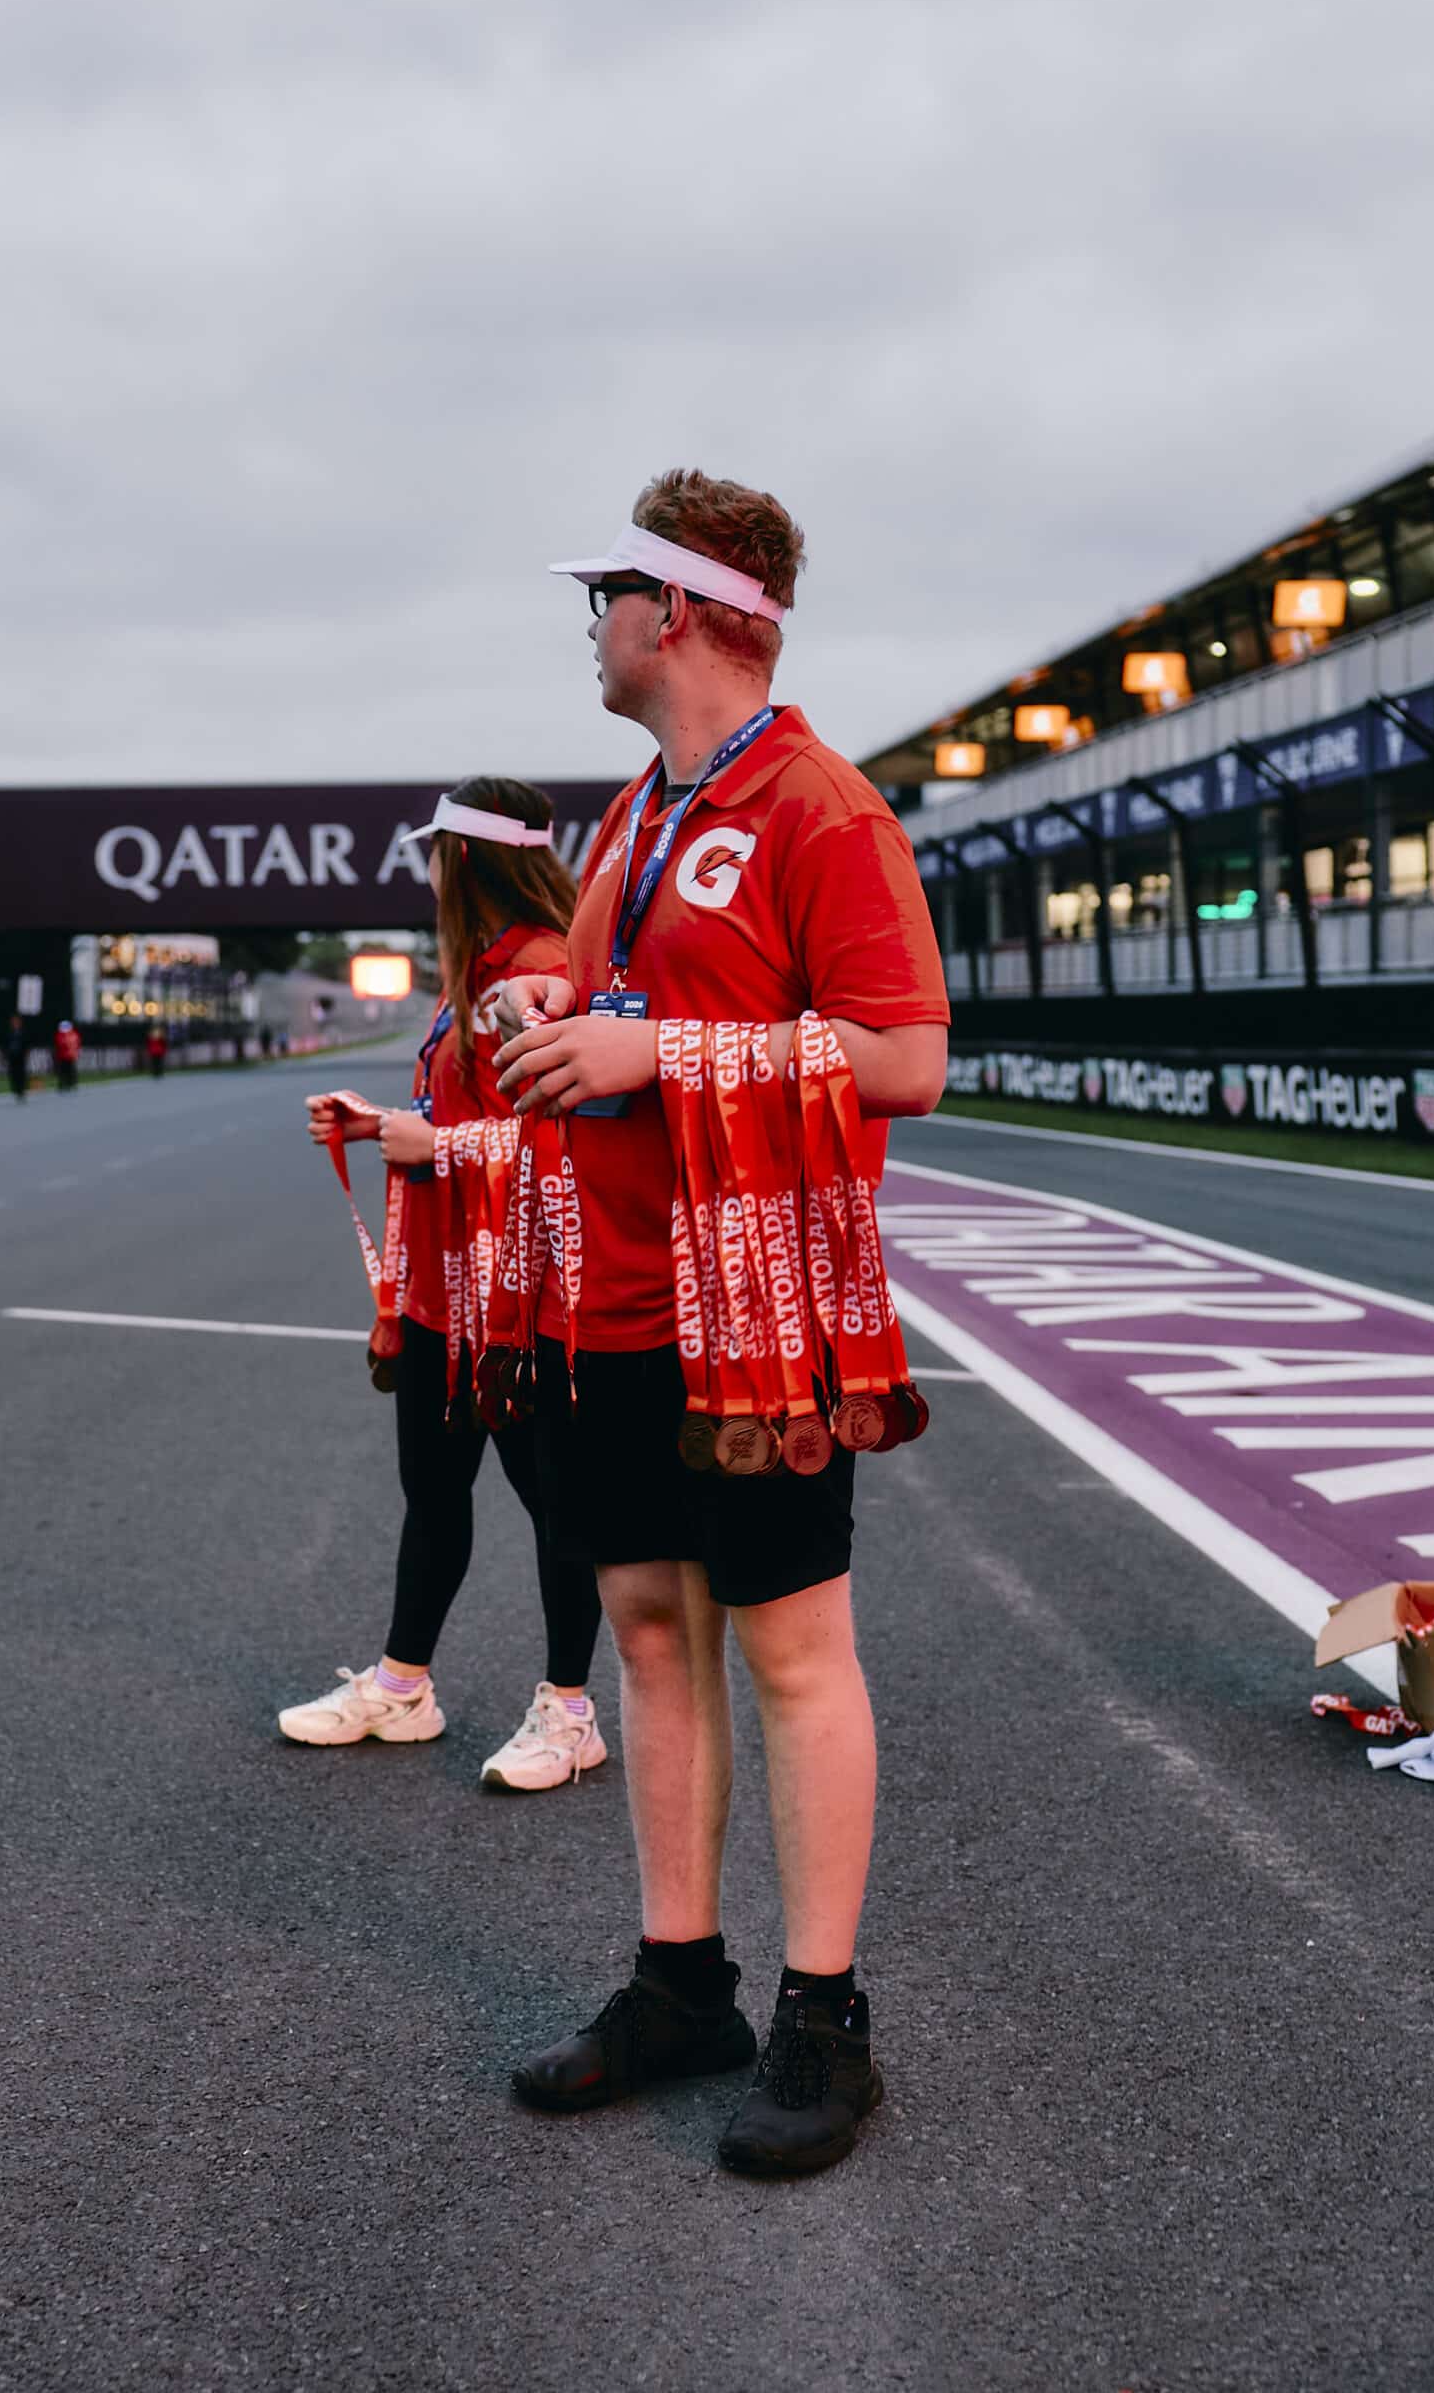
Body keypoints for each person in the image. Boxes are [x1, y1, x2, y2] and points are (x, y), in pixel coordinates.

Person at [493, 471, 948, 2176]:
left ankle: (825, 2018)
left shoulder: (822, 806)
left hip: (759, 1307)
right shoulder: (634, 813)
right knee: (647, 1630)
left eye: (602, 597)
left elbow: (907, 1056)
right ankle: (682, 1985)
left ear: (674, 610)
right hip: (617, 1290)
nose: (589, 626)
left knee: (790, 1652)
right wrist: (555, 1005)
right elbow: (627, 995)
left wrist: (656, 1053)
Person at [281, 776, 607, 1792]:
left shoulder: (541, 969)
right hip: (442, 1286)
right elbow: (473, 1116)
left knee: (554, 1504)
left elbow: (572, 1140)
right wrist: (381, 1126)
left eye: (434, 849)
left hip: (520, 1295)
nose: (425, 866)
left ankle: (571, 1712)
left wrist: (435, 1144)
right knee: (433, 1489)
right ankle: (402, 1687)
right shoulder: (477, 969)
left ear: (462, 859)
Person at [3, 1015, 31, 1102]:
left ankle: (21, 1090)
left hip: (20, 1056)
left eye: (16, 1022)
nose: (15, 1023)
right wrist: (5, 1055)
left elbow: (27, 1044)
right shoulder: (9, 1033)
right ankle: (15, 1089)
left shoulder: (23, 1032)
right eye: (13, 1022)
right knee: (13, 1073)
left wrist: (26, 1054)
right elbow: (5, 1044)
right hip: (12, 1056)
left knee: (21, 1073)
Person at [52, 1020, 81, 1091]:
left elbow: (76, 1045)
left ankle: (69, 1083)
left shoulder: (72, 1035)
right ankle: (66, 1084)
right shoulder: (71, 1035)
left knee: (68, 1071)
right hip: (65, 1056)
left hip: (67, 1056)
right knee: (65, 1071)